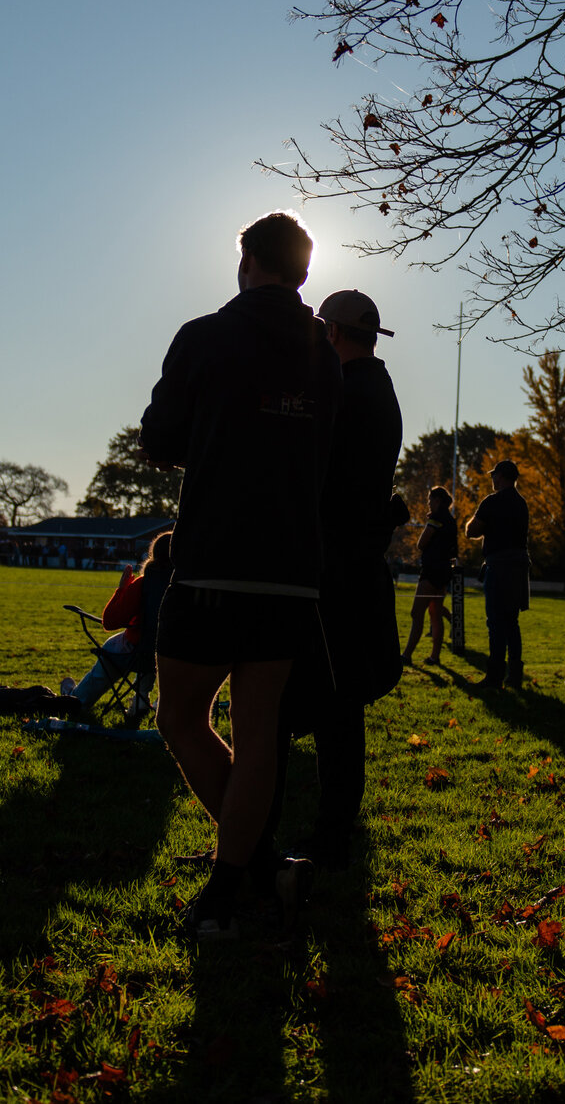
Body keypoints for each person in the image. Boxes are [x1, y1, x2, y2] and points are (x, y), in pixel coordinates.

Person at [141, 211, 342, 942]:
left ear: (247, 260)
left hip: (213, 558)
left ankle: (241, 877)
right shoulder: (323, 350)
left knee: (179, 717)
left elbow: (159, 436)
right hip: (291, 567)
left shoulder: (205, 336)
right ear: (303, 270)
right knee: (259, 736)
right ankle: (246, 882)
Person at [266, 286, 405, 881]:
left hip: (334, 577)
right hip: (352, 572)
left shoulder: (348, 394)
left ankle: (303, 843)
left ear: (332, 333)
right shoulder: (377, 389)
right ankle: (326, 843)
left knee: (317, 714)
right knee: (334, 716)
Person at [63, 531, 171, 724]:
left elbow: (110, 622)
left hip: (135, 653)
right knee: (152, 647)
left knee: (117, 647)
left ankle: (77, 699)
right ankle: (140, 700)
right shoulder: (183, 586)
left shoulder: (143, 584)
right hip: (170, 654)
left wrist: (122, 589)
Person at [466, 460, 531, 689]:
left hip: (498, 566)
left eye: (494, 475)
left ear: (501, 476)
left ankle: (494, 676)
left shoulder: (492, 501)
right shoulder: (521, 503)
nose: (492, 479)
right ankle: (514, 674)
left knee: (495, 622)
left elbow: (471, 531)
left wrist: (481, 522)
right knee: (511, 622)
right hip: (519, 568)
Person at [404, 486, 456, 666]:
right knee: (435, 614)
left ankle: (407, 654)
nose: (428, 503)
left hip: (430, 572)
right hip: (444, 573)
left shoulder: (436, 519)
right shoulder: (450, 520)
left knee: (416, 613)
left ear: (437, 501)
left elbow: (421, 543)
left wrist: (429, 523)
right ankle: (435, 656)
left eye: (430, 500)